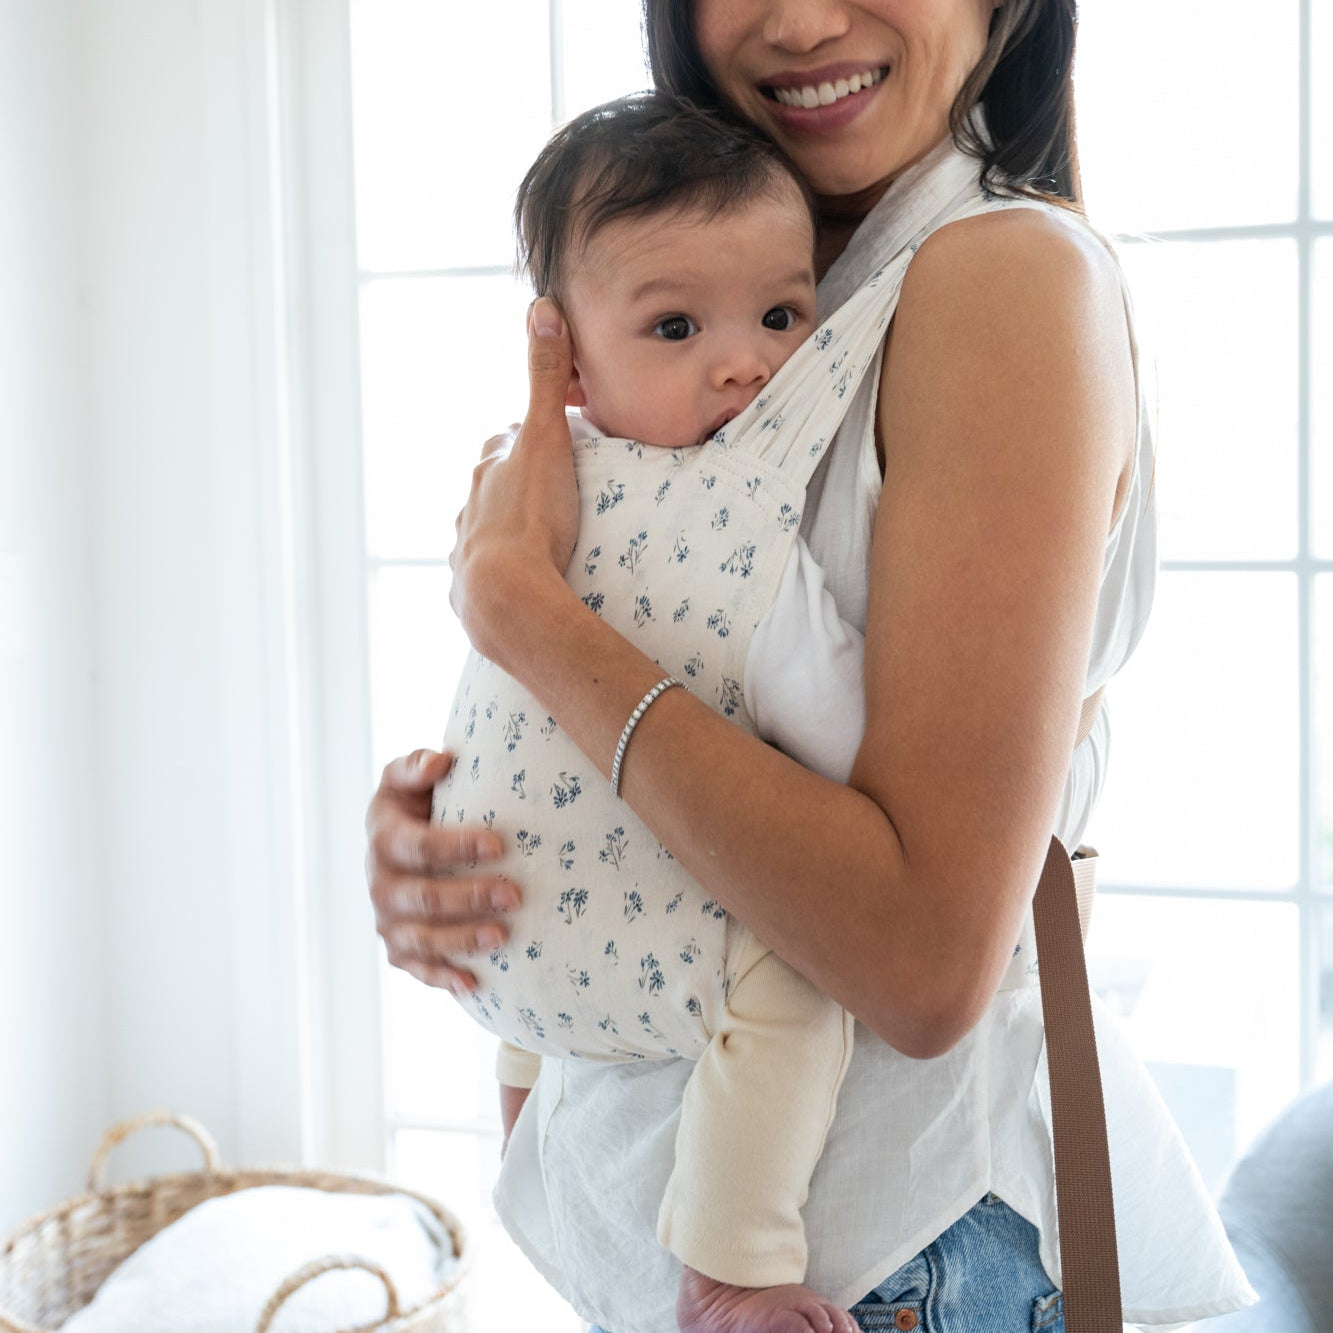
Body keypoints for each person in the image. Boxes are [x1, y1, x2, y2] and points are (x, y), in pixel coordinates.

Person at [366, 3, 1258, 1332]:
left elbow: (918, 962)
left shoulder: (996, 276)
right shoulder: (728, 271)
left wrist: (528, 618)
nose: (796, 19)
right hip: (672, 1235)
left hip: (893, 1260)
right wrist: (458, 843)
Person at [434, 93, 869, 1333]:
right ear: (564, 358)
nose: (746, 362)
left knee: (549, 888)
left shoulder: (514, 497)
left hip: (498, 933)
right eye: (676, 325)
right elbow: (851, 747)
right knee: (799, 966)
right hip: (629, 932)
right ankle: (731, 1263)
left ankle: (526, 1119)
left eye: (783, 315)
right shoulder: (739, 524)